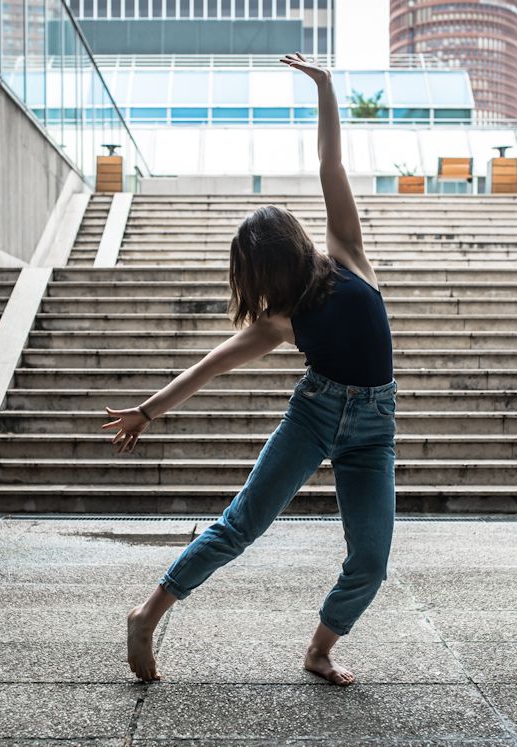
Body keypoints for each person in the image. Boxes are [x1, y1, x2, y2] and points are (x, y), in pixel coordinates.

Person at [102, 52, 397, 687]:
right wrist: (147, 411)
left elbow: (330, 165)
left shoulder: (347, 252)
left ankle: (319, 649)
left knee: (370, 559)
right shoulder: (279, 322)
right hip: (315, 416)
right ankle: (148, 614)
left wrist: (324, 87)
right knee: (242, 525)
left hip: (373, 427)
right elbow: (207, 369)